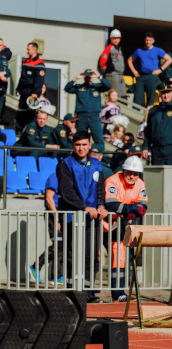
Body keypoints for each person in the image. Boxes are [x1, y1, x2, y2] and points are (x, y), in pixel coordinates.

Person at [57, 131, 107, 302]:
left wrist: (100, 206)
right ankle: (71, 292)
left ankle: (88, 291)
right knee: (71, 253)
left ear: (90, 145)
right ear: (73, 146)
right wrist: (85, 207)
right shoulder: (65, 164)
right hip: (72, 217)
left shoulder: (96, 164)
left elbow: (100, 189)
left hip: (92, 219)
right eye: (78, 144)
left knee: (91, 254)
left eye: (84, 144)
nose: (81, 148)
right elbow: (66, 192)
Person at [103, 156, 147, 302]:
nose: (132, 176)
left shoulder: (140, 183)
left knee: (121, 258)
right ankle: (91, 294)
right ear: (123, 170)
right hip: (105, 224)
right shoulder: (113, 181)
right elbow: (111, 205)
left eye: (135, 173)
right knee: (97, 258)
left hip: (121, 225)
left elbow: (143, 207)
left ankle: (119, 293)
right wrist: (132, 209)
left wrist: (125, 210)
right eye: (129, 172)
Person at [27, 171, 68, 286]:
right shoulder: (55, 176)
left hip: (64, 215)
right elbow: (49, 199)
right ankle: (36, 267)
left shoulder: (69, 175)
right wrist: (56, 218)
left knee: (62, 246)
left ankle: (57, 276)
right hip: (54, 214)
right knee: (58, 244)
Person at [65, 69, 110, 149]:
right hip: (82, 117)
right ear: (84, 77)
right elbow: (67, 88)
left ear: (92, 77)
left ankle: (101, 158)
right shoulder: (79, 87)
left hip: (94, 117)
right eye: (86, 77)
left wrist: (99, 76)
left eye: (90, 77)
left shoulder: (97, 87)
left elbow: (108, 86)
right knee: (80, 139)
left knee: (99, 140)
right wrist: (75, 78)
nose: (88, 79)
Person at [127, 32, 171, 107]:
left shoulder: (157, 50)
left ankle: (149, 116)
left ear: (153, 41)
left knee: (150, 98)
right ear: (144, 40)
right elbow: (129, 60)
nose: (148, 42)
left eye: (150, 40)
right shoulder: (139, 51)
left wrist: (160, 70)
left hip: (152, 76)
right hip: (141, 77)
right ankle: (136, 116)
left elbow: (169, 59)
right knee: (137, 97)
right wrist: (134, 71)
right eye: (146, 40)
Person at [15, 42, 46, 133]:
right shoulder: (26, 62)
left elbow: (39, 80)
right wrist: (18, 88)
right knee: (21, 111)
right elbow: (22, 77)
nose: (27, 51)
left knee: (31, 113)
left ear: (34, 50)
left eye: (28, 49)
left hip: (32, 93)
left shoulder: (39, 63)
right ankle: (19, 130)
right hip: (24, 92)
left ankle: (31, 131)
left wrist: (36, 93)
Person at [142, 77, 172, 165]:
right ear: (159, 94)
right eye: (163, 93)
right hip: (157, 150)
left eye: (168, 92)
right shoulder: (153, 111)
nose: (166, 95)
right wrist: (145, 147)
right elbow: (148, 131)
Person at [99, 29, 126, 97]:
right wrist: (107, 73)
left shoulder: (119, 49)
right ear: (111, 39)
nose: (116, 40)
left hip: (119, 74)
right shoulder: (109, 48)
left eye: (118, 38)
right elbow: (102, 62)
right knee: (113, 94)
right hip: (113, 75)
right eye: (114, 38)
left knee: (122, 94)